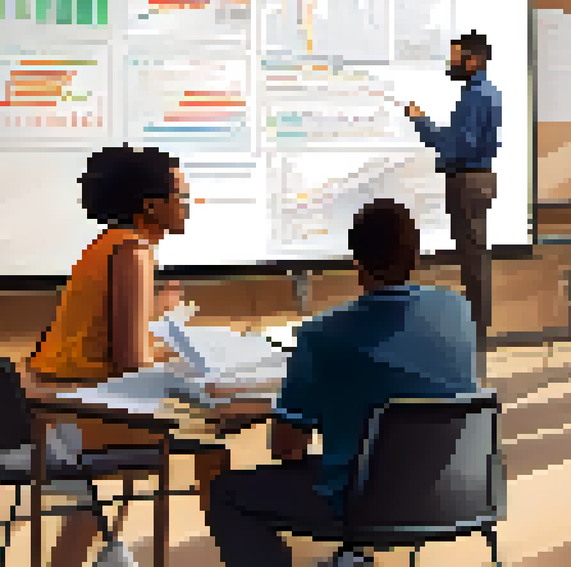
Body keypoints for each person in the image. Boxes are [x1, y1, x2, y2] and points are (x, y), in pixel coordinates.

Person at [206, 199, 479, 567]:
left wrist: (287, 409)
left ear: (357, 262)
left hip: (363, 502)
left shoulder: (322, 335)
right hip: (455, 491)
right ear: (416, 255)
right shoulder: (459, 312)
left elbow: (287, 449)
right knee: (355, 454)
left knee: (226, 492)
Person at [26, 145, 229, 567]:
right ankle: (234, 550)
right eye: (181, 196)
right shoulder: (132, 251)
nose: (187, 206)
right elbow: (132, 363)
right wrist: (181, 355)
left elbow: (112, 342)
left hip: (54, 405)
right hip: (78, 414)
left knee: (187, 419)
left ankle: (105, 548)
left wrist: (156, 316)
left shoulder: (109, 245)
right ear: (151, 206)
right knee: (213, 436)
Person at [406, 30, 503, 377]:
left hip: (469, 180)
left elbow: (456, 146)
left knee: (474, 264)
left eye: (456, 56)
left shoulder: (477, 95)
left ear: (473, 60)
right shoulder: (480, 93)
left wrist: (420, 122)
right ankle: (475, 340)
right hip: (474, 180)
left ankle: (475, 345)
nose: (451, 63)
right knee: (473, 260)